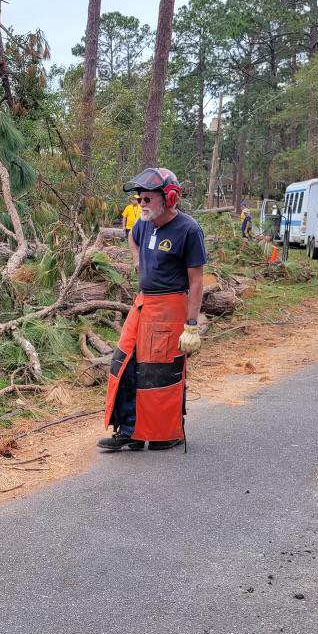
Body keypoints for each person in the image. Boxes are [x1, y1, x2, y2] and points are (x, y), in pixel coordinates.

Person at [99, 167, 207, 453]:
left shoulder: (188, 230)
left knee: (159, 373)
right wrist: (138, 261)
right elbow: (132, 237)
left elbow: (196, 281)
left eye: (147, 199)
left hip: (171, 308)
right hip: (144, 303)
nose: (142, 205)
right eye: (140, 199)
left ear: (168, 198)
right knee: (125, 362)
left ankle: (165, 433)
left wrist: (192, 324)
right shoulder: (144, 225)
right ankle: (130, 431)